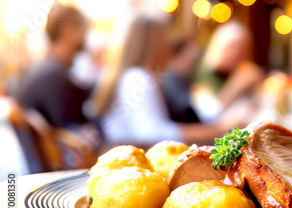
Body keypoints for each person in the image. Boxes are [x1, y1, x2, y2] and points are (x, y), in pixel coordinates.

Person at [91, 14, 243, 145]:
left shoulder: (133, 75)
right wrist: (218, 131)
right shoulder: (137, 78)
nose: (169, 46)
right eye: (165, 39)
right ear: (153, 45)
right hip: (132, 163)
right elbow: (153, 133)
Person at [16, 3, 90, 128]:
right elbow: (73, 129)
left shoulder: (40, 69)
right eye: (84, 29)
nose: (86, 36)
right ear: (68, 30)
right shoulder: (53, 75)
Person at [193, 22, 264, 121]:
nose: (237, 53)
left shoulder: (243, 71)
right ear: (219, 46)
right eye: (233, 47)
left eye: (242, 48)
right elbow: (210, 116)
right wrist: (237, 85)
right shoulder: (204, 73)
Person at [160, 37, 200, 123]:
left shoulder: (182, 79)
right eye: (190, 60)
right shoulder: (171, 80)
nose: (192, 66)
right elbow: (185, 113)